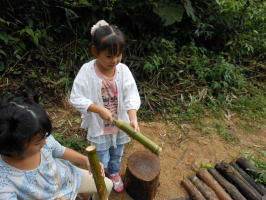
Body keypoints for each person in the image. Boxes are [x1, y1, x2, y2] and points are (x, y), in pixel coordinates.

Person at [0, 88, 113, 200]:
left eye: (45, 136)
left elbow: (60, 150)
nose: (45, 142)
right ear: (13, 148)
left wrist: (85, 160)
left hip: (69, 178)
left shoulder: (39, 137)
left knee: (107, 185)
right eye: (38, 143)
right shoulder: (4, 185)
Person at [70, 20, 141, 192]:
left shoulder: (123, 71)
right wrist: (98, 109)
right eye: (109, 56)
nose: (115, 60)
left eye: (118, 55)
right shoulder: (87, 72)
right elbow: (76, 97)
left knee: (117, 152)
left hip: (120, 124)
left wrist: (132, 117)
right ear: (95, 51)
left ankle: (114, 172)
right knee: (100, 155)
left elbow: (131, 94)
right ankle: (99, 179)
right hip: (99, 127)